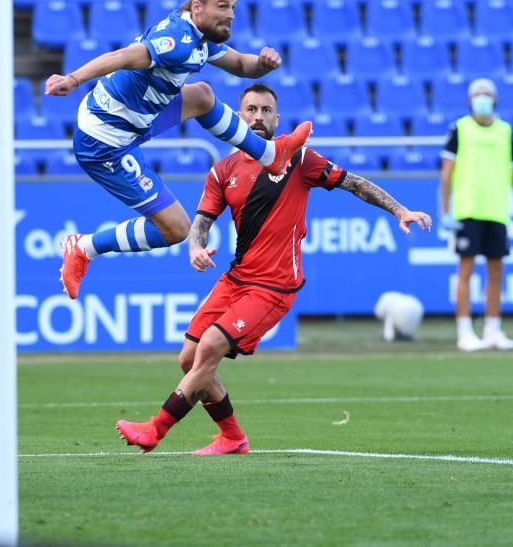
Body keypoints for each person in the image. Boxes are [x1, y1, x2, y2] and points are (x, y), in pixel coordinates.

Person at [115, 83, 432, 455]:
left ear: (277, 119)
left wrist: (399, 210)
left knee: (212, 346)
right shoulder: (223, 171)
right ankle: (233, 438)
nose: (259, 116)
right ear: (238, 117)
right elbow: (200, 221)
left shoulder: (298, 159)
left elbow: (354, 183)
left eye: (266, 110)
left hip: (274, 286)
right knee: (189, 358)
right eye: (251, 109)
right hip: (237, 278)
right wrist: (196, 249)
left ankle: (155, 429)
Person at [45, 0, 312, 300]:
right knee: (176, 229)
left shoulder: (201, 37)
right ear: (197, 8)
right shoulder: (178, 43)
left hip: (137, 116)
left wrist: (263, 63)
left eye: (232, 7)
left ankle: (270, 155)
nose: (230, 15)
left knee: (201, 96)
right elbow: (124, 56)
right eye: (222, 7)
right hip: (106, 140)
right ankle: (83, 247)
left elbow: (243, 65)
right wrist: (73, 79)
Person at [439, 78, 513, 352]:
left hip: (497, 211)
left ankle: (493, 329)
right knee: (465, 270)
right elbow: (446, 173)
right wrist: (445, 210)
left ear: (495, 98)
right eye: (478, 94)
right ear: (470, 100)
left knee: (496, 271)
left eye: (487, 93)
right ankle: (464, 331)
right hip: (467, 210)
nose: (483, 98)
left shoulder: (505, 131)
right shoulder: (460, 129)